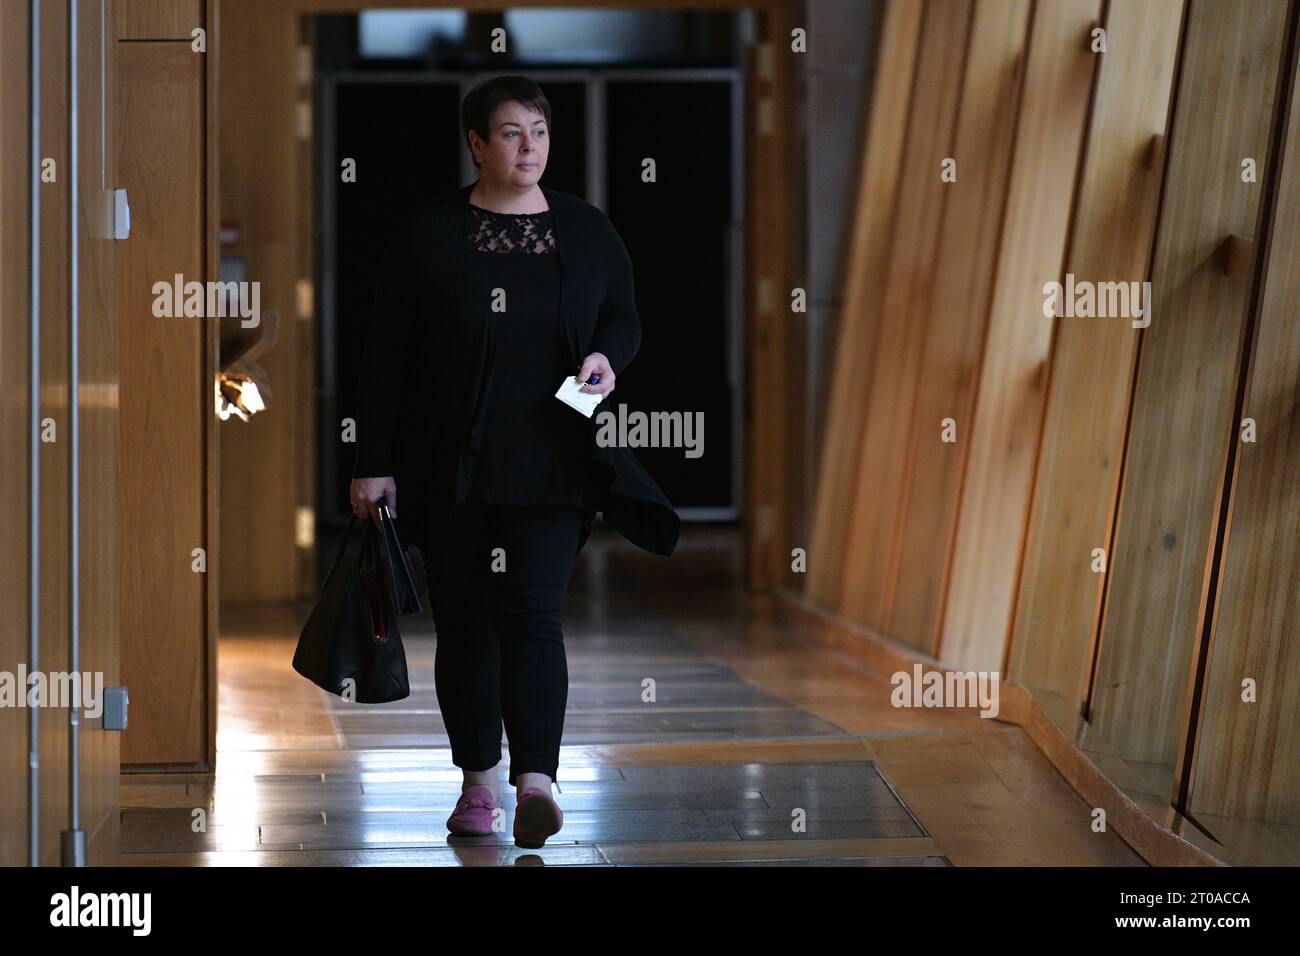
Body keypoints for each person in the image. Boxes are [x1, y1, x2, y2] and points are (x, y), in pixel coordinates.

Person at [348, 75, 680, 849]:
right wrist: (373, 462)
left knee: (532, 618)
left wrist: (605, 357)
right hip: (447, 466)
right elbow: (385, 357)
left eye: (538, 132)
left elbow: (625, 318)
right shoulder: (428, 232)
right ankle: (477, 784)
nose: (528, 148)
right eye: (509, 133)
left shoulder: (585, 229)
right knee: (466, 625)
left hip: (552, 463)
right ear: (475, 143)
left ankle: (537, 779)